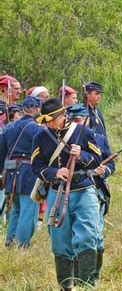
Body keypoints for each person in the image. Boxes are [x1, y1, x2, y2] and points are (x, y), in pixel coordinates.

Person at [31, 98, 102, 288]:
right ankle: (66, 286)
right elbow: (37, 165)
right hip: (57, 191)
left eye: (51, 119)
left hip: (84, 190)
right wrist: (54, 173)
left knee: (87, 236)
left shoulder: (83, 132)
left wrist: (82, 156)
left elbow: (96, 160)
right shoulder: (41, 137)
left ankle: (87, 283)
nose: (47, 123)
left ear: (62, 115)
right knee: (60, 241)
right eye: (46, 120)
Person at [66, 103, 115, 283]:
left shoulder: (99, 139)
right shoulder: (61, 140)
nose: (76, 123)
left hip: (95, 191)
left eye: (79, 120)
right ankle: (77, 277)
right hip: (69, 191)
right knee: (72, 238)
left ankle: (92, 276)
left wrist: (104, 171)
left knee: (96, 236)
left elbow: (111, 164)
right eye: (73, 120)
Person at [0, 96, 43, 247]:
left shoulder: (9, 127)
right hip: (29, 173)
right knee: (28, 212)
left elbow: (1, 153)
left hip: (12, 173)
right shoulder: (38, 128)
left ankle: (10, 243)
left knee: (16, 210)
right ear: (36, 108)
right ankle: (23, 246)